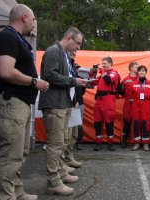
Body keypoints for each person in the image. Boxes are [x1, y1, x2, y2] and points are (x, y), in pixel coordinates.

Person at [0, 4, 49, 200]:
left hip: (19, 103)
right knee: (10, 154)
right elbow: (6, 71)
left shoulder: (17, 39)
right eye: (33, 19)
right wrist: (34, 81)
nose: (34, 24)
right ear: (24, 17)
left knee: (19, 152)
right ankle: (5, 196)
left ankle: (16, 191)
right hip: (10, 102)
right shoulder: (7, 37)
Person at [39, 27, 86, 196]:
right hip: (54, 105)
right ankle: (53, 182)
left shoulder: (63, 54)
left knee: (60, 142)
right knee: (55, 144)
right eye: (78, 44)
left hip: (61, 105)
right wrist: (73, 81)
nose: (78, 48)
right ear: (69, 38)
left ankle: (61, 173)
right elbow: (49, 75)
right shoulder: (53, 51)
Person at [91, 57, 121, 151]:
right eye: (102, 64)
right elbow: (93, 82)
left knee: (109, 121)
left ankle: (110, 142)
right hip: (99, 99)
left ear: (110, 63)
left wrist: (101, 71)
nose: (103, 65)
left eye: (105, 63)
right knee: (97, 121)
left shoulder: (113, 73)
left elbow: (108, 80)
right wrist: (92, 73)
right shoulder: (102, 74)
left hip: (108, 99)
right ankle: (98, 141)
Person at [64, 51, 85, 167]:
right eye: (71, 54)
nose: (73, 54)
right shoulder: (67, 69)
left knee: (73, 133)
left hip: (77, 104)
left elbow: (81, 92)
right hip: (70, 104)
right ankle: (65, 161)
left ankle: (69, 157)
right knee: (66, 134)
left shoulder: (76, 75)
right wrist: (72, 102)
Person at [130, 65, 150, 151]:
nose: (141, 72)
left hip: (146, 104)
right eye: (140, 71)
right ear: (138, 72)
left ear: (146, 72)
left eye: (143, 71)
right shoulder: (134, 84)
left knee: (146, 124)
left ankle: (145, 143)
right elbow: (131, 95)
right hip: (136, 105)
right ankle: (137, 143)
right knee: (136, 124)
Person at [119, 62, 139, 148]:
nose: (138, 68)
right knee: (127, 121)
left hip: (138, 104)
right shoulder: (125, 79)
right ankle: (124, 141)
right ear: (131, 68)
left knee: (137, 123)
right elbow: (120, 92)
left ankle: (137, 141)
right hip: (128, 104)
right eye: (136, 67)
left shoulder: (141, 78)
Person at [74, 63, 86, 150]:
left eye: (78, 68)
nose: (77, 69)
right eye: (76, 68)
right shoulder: (69, 78)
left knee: (79, 123)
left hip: (80, 103)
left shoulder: (81, 78)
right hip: (69, 103)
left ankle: (79, 142)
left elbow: (82, 92)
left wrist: (84, 86)